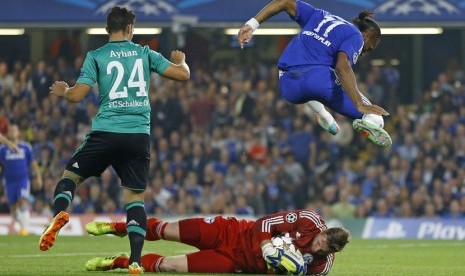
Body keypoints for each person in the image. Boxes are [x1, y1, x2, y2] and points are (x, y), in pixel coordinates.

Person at [38, 6, 190, 274]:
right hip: (138, 135)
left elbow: (76, 96)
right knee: (135, 199)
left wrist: (63, 91)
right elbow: (183, 75)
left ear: (107, 29)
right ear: (130, 28)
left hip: (106, 131)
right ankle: (134, 260)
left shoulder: (96, 56)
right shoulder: (145, 53)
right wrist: (181, 60)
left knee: (69, 178)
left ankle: (59, 213)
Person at [237, 0, 392, 147]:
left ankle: (323, 115)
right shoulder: (356, 36)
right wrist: (359, 104)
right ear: (366, 36)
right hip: (318, 81)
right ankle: (369, 123)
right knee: (375, 116)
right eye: (369, 48)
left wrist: (251, 25)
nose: (365, 53)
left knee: (311, 85)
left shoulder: (320, 16)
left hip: (287, 85)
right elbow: (342, 66)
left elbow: (284, 2)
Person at [84, 209, 349, 275]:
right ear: (325, 231)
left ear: (331, 251)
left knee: (167, 267)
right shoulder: (310, 221)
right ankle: (117, 227)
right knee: (166, 229)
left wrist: (282, 268)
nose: (316, 245)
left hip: (235, 261)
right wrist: (268, 247)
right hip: (230, 231)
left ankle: (117, 262)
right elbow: (264, 223)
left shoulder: (320, 268)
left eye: (322, 248)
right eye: (320, 240)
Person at [0, 124, 42, 235]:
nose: (12, 133)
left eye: (14, 130)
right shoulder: (3, 149)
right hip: (9, 182)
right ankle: (22, 226)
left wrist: (38, 177)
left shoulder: (25, 147)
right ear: (7, 133)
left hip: (22, 180)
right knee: (13, 208)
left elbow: (33, 163)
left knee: (23, 202)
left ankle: (24, 229)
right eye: (10, 131)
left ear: (18, 133)